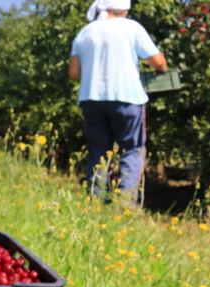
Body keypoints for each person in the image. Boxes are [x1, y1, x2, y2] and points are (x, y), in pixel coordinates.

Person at [69, 0, 167, 203]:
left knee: (98, 151)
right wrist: (160, 72)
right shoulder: (131, 28)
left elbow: (74, 73)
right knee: (132, 149)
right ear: (124, 9)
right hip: (127, 97)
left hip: (91, 99)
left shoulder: (85, 32)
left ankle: (97, 201)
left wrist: (93, 79)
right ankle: (125, 203)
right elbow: (159, 62)